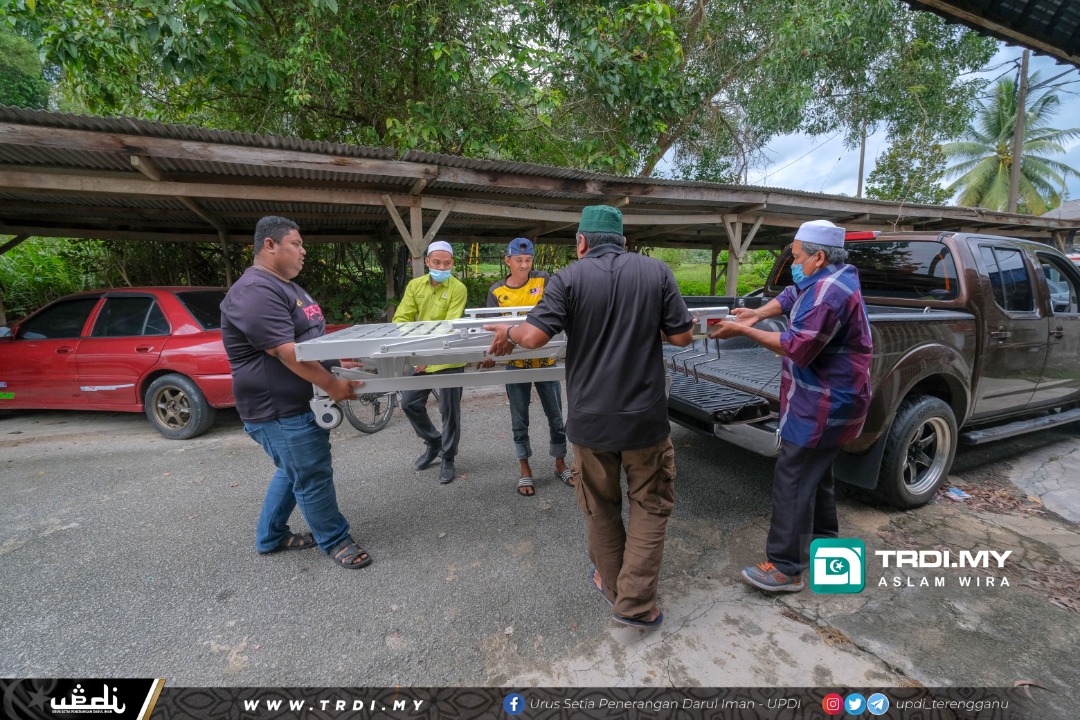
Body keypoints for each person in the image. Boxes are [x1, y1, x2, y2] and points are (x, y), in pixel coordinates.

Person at [486, 206, 694, 628]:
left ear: (581, 242)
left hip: (591, 422)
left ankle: (616, 589)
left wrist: (506, 333)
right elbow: (682, 336)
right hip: (645, 421)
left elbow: (531, 336)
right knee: (650, 507)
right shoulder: (657, 272)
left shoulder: (568, 278)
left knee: (600, 507)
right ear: (622, 240)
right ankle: (635, 605)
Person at [708, 219, 872, 592]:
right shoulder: (826, 279)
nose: (793, 264)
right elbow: (790, 294)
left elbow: (797, 347)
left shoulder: (829, 295)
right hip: (829, 401)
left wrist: (745, 330)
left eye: (797, 257)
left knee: (793, 477)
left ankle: (785, 568)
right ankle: (827, 551)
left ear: (819, 256)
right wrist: (758, 313)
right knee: (817, 479)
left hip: (824, 405)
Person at [220, 215, 372, 569]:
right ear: (269, 245)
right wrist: (334, 385)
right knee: (311, 473)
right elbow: (285, 351)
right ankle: (335, 540)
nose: (304, 251)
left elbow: (312, 340)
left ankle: (270, 537)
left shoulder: (287, 286)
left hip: (299, 403)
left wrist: (340, 368)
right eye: (297, 244)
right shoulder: (255, 290)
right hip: (278, 409)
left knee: (294, 472)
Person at [484, 237, 572, 497]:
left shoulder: (543, 280)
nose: (524, 265)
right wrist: (489, 354)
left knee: (556, 416)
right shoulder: (496, 291)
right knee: (519, 419)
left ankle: (560, 463)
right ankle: (525, 468)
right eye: (518, 260)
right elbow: (489, 329)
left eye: (528, 260)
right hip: (516, 363)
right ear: (507, 261)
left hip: (546, 360)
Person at [393, 240, 468, 484]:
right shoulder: (415, 286)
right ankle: (433, 440)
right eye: (436, 262)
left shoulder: (458, 288)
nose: (441, 266)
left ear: (452, 264)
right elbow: (401, 320)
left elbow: (449, 326)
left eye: (447, 263)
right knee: (409, 403)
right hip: (420, 356)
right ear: (427, 262)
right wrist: (419, 353)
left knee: (450, 411)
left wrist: (429, 353)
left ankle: (448, 457)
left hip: (448, 357)